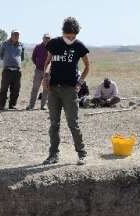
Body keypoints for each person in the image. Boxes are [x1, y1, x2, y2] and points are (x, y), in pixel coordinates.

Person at [42, 17, 90, 166]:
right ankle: (53, 155)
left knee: (72, 123)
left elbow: (87, 66)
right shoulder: (54, 43)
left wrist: (79, 84)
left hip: (70, 90)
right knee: (54, 124)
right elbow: (48, 62)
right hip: (53, 89)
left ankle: (82, 154)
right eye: (68, 34)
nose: (70, 37)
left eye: (73, 34)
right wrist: (46, 76)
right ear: (63, 31)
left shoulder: (79, 46)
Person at [0, 30, 25, 110]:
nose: (17, 36)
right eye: (15, 34)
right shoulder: (5, 44)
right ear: (11, 35)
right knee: (4, 88)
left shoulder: (21, 45)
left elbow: (22, 57)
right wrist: (8, 61)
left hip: (17, 71)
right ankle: (1, 105)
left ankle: (12, 105)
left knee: (16, 89)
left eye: (18, 35)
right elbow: (1, 55)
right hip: (7, 70)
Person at [26, 33, 51, 110]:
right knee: (35, 88)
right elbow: (33, 57)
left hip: (47, 71)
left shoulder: (52, 48)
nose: (47, 39)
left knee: (46, 88)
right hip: (38, 70)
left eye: (48, 38)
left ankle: (43, 106)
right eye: (45, 38)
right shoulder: (38, 47)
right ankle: (31, 105)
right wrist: (37, 64)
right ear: (42, 38)